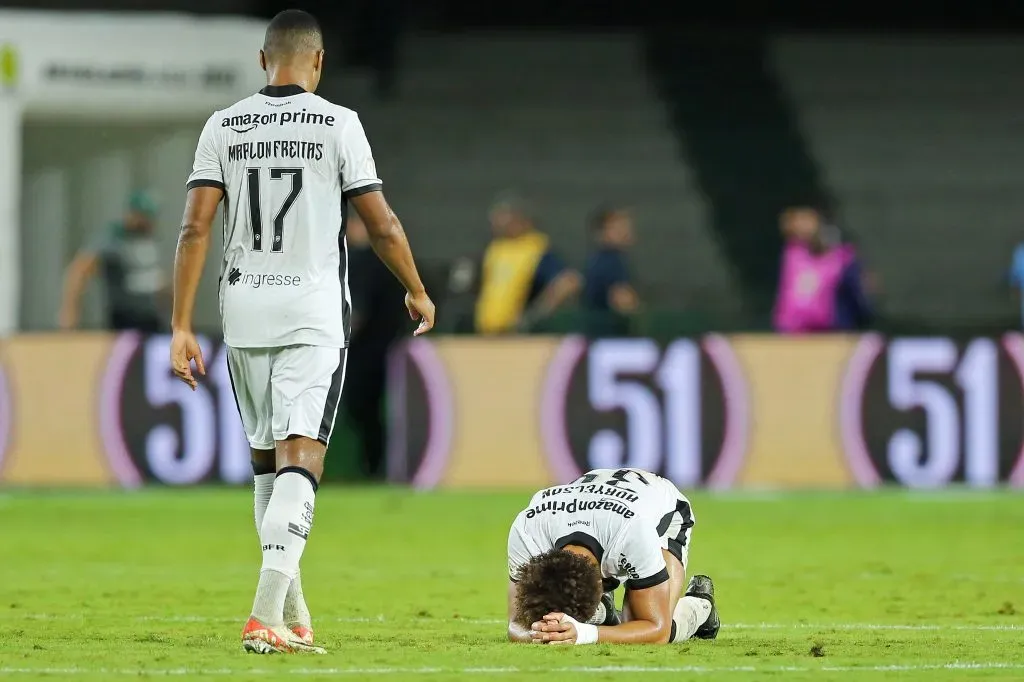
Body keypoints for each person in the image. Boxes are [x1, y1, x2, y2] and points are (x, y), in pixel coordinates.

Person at [169, 9, 435, 655]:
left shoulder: (223, 124)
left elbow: (195, 230)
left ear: (264, 60)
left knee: (268, 466)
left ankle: (293, 612)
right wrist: (416, 288)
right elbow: (383, 224)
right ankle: (264, 615)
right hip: (312, 314)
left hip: (244, 310)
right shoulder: (339, 124)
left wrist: (180, 323)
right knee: (302, 458)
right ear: (317, 62)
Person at [506, 468, 720, 645]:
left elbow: (656, 629)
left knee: (639, 626)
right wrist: (538, 633)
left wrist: (585, 634)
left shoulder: (633, 532)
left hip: (665, 513)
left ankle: (700, 607)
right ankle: (603, 613)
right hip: (603, 506)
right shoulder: (527, 530)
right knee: (621, 630)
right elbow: (516, 622)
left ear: (601, 584)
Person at [343, 208, 406, 478]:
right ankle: (377, 466)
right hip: (387, 346)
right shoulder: (390, 259)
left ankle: (373, 467)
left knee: (361, 410)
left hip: (364, 351)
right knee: (372, 411)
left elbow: (358, 312)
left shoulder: (361, 261)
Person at [59, 190, 165, 332]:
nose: (147, 222)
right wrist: (70, 311)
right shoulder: (113, 239)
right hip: (126, 317)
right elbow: (79, 269)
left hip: (152, 317)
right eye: (143, 216)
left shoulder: (149, 240)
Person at [474, 194, 581, 334]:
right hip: (487, 334)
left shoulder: (537, 249)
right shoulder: (496, 249)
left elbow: (569, 281)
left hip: (518, 336)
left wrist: (534, 316)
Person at [582, 206, 640, 336]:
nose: (626, 231)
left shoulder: (597, 260)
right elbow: (623, 301)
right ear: (603, 231)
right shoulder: (611, 262)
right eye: (619, 227)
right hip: (610, 342)